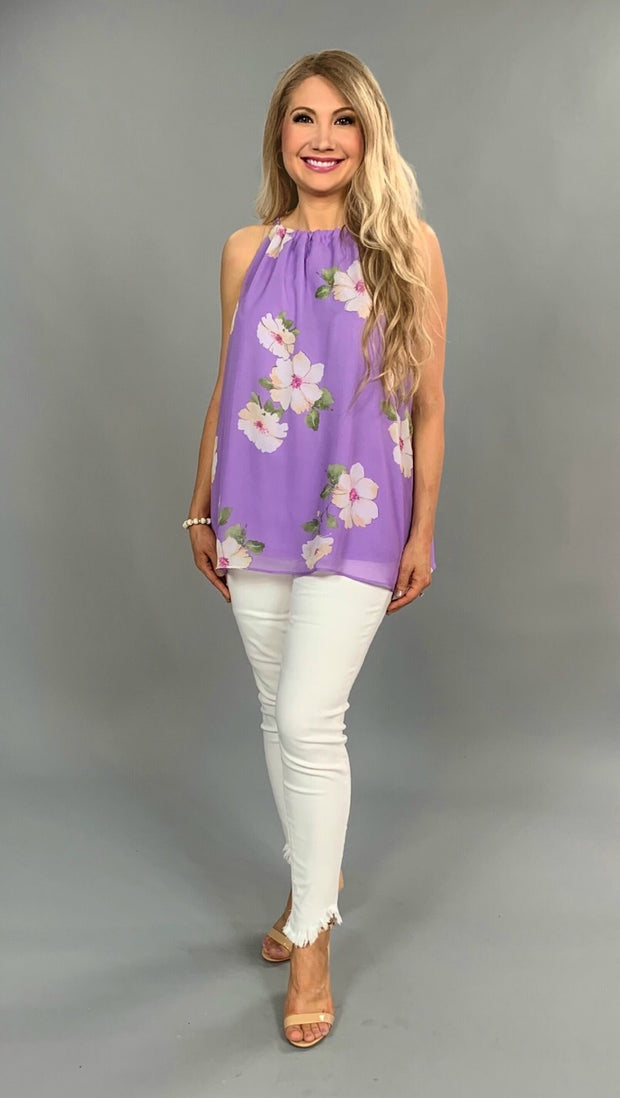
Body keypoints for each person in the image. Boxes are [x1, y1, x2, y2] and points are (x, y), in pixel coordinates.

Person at [184, 50, 447, 1048]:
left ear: (368, 136)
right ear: (280, 136)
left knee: (307, 716)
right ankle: (311, 882)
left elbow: (427, 405)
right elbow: (229, 383)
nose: (322, 138)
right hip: (255, 505)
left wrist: (423, 527)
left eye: (343, 120)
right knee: (274, 712)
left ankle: (311, 941)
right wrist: (199, 499)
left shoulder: (407, 248)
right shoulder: (245, 249)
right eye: (303, 118)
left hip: (358, 510)